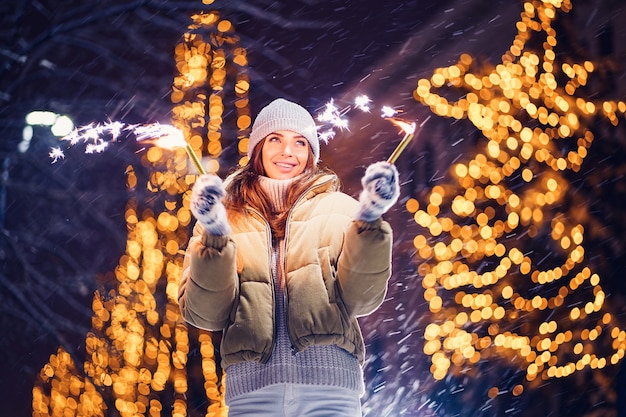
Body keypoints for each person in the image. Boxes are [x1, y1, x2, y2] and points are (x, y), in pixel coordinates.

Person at [178, 98, 400, 416]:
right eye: (275, 139)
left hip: (330, 393)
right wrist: (214, 234)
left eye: (299, 142)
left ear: (311, 153)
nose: (287, 152)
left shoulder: (341, 210)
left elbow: (363, 299)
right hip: (252, 396)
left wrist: (369, 220)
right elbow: (205, 313)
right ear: (258, 150)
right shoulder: (223, 216)